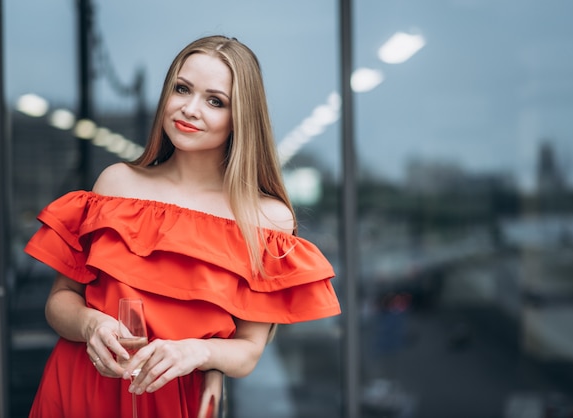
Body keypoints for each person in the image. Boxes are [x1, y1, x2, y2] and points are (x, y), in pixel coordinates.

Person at [24, 35, 341, 418]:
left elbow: (248, 351)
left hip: (177, 400)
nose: (190, 109)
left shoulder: (267, 220)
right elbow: (59, 303)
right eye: (182, 88)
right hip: (83, 388)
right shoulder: (116, 184)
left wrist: (199, 353)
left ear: (240, 116)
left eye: (215, 101)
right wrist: (91, 325)